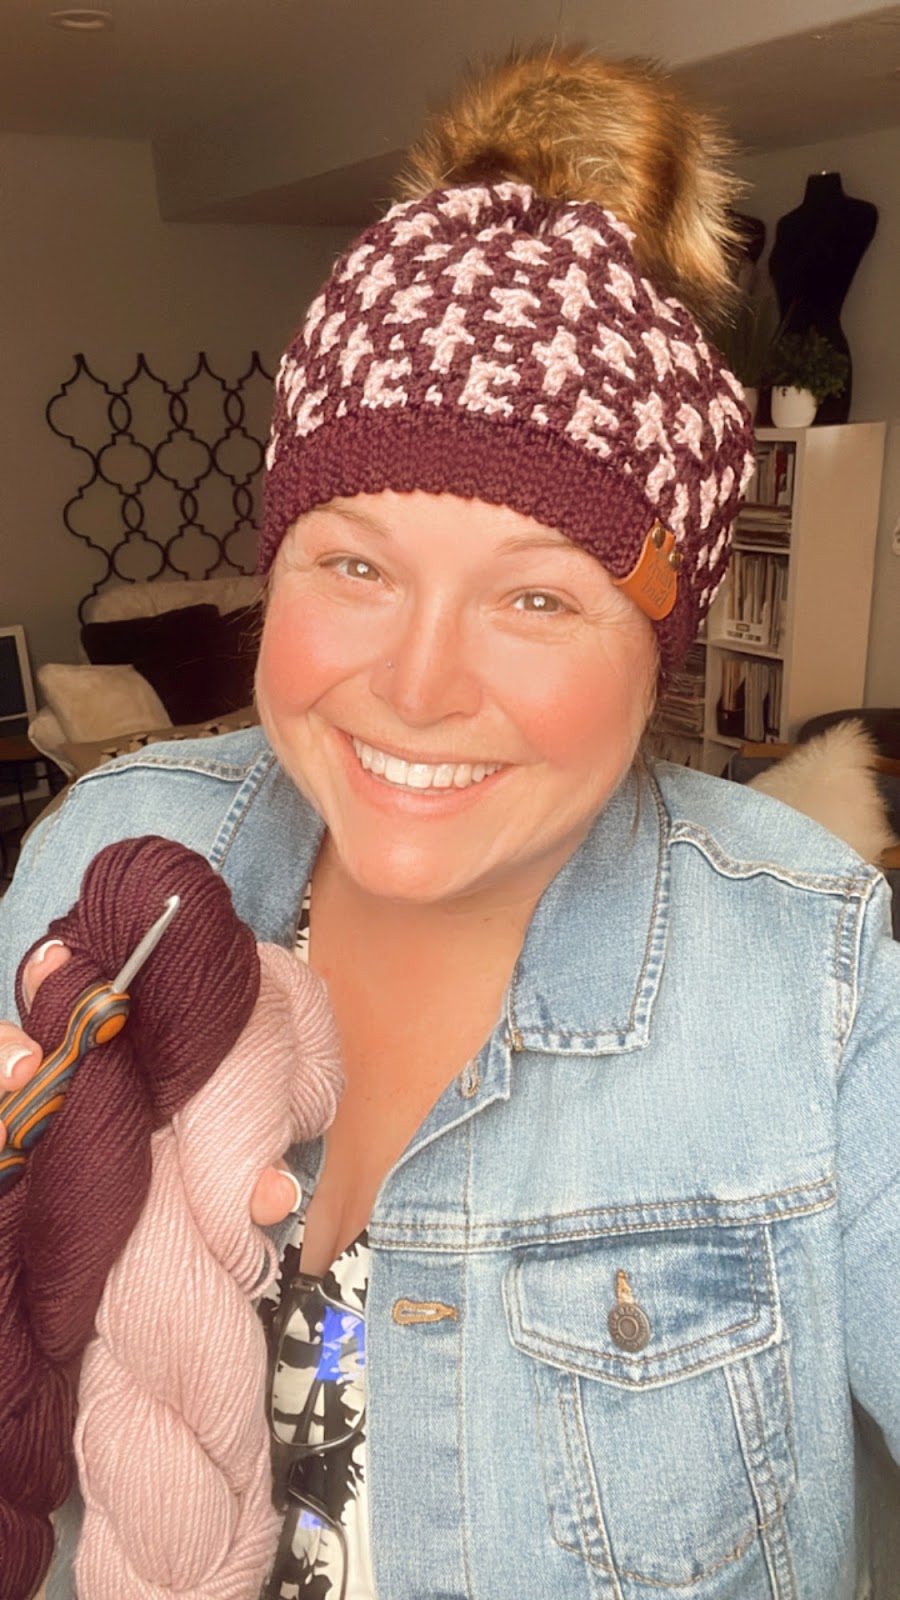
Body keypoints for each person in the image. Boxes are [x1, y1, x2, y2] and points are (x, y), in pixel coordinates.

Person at [2, 43, 899, 1600]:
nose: (414, 687)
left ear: (661, 648)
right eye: (352, 566)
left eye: (539, 596)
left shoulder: (818, 983)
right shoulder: (111, 857)